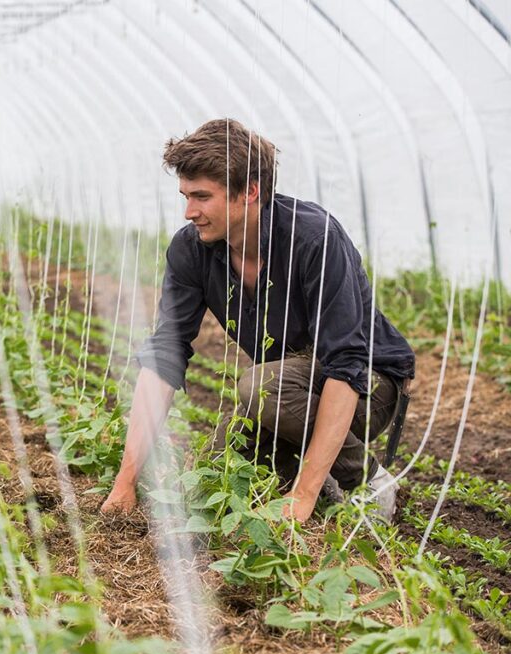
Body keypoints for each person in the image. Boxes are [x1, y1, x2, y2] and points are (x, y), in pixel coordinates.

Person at [100, 119, 415, 523]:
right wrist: (125, 482)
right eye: (185, 195)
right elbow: (166, 352)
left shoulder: (314, 239)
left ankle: (368, 482)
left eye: (201, 197)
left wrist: (302, 496)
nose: (189, 211)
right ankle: (316, 476)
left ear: (250, 191)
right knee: (216, 473)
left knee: (262, 388)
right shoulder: (191, 250)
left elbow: (347, 364)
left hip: (368, 384)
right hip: (287, 385)